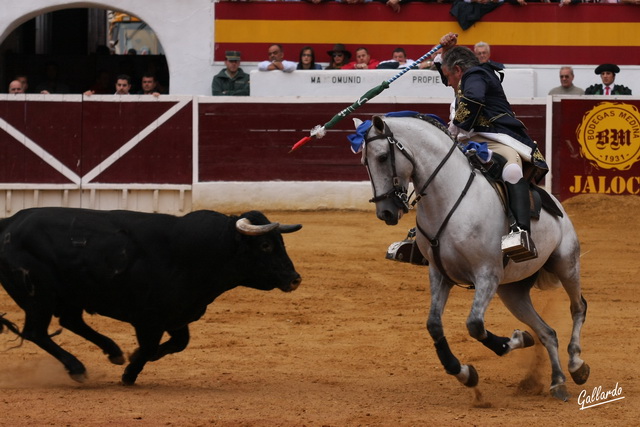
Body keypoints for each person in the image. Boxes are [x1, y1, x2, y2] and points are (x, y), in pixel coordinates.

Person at [388, 32, 547, 264]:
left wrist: (452, 131)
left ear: (459, 71)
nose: (448, 82)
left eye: (450, 77)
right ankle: (422, 236)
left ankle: (520, 233)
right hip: (466, 140)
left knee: (511, 170)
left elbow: (473, 101)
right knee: (436, 174)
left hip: (497, 139)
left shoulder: (477, 74)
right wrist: (445, 51)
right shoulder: (465, 76)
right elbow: (451, 76)